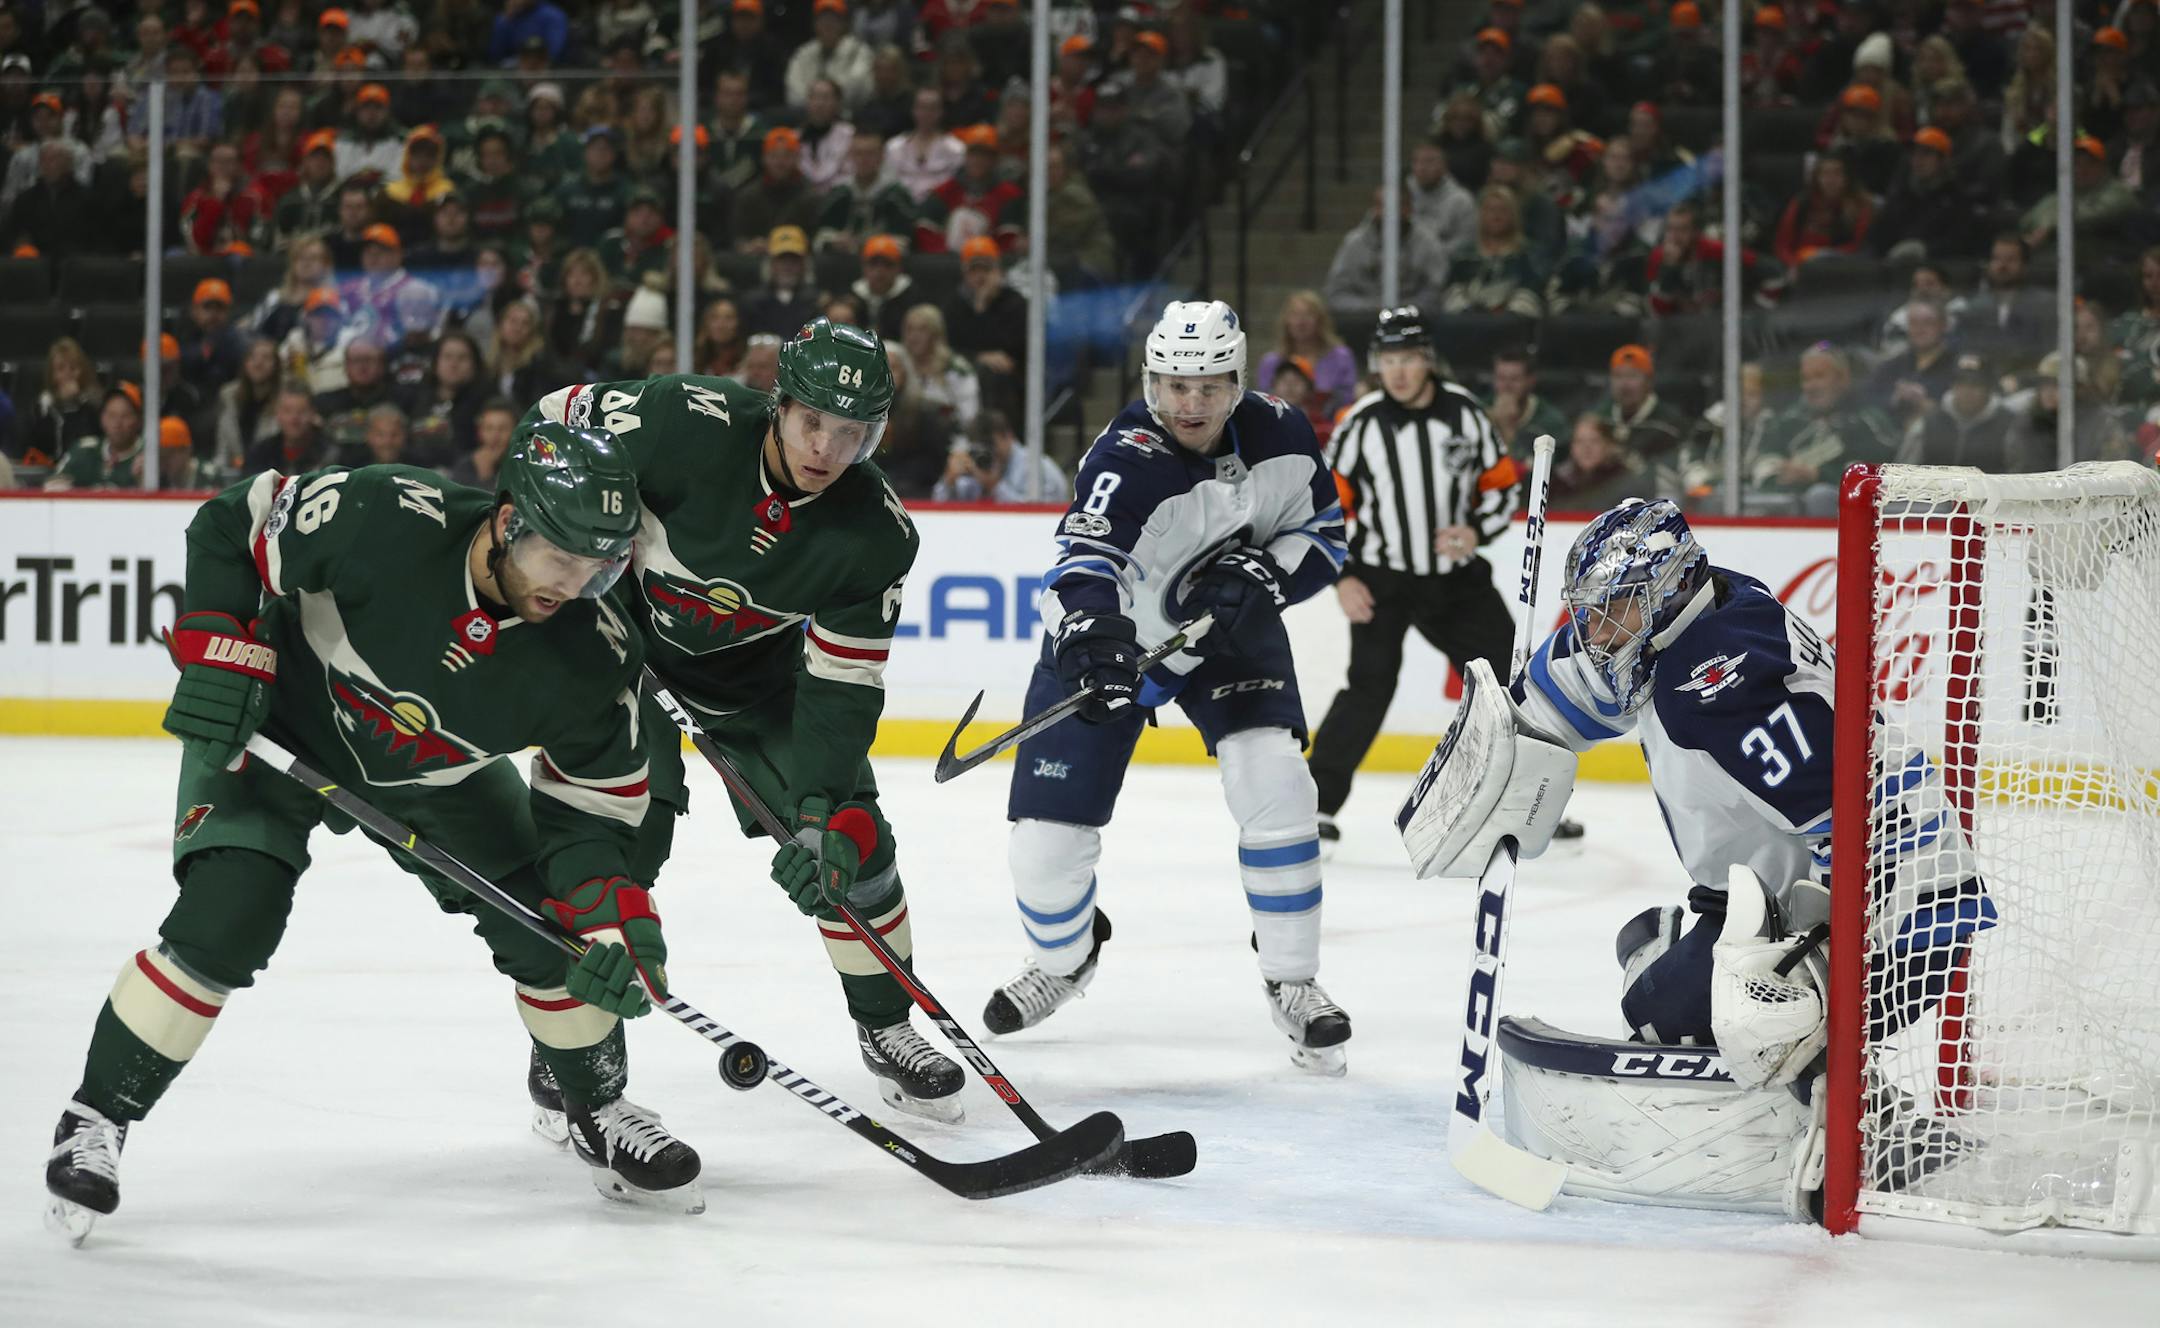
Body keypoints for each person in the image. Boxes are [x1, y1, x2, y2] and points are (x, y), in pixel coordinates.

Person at [45, 422, 705, 1242]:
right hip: (284, 725)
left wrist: (607, 911)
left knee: (552, 934)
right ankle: (95, 1118)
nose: (574, 586)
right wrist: (219, 642)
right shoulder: (385, 514)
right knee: (227, 918)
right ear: (508, 522)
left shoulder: (596, 652)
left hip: (440, 776)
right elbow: (236, 518)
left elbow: (592, 812)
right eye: (561, 557)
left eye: (601, 566)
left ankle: (597, 1108)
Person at [1395, 499, 1987, 1215]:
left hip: (1900, 896)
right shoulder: (1700, 608)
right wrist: (1502, 741)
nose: (1595, 631)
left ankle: (1871, 1123)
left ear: (1668, 591)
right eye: (1590, 612)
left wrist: (1815, 960)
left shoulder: (1710, 687)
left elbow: (1856, 822)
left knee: (1736, 1013)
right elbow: (1570, 689)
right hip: (1790, 887)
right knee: (1657, 1002)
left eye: (1613, 611)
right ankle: (1749, 1002)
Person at [522, 319, 964, 1121]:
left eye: (853, 433)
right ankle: (575, 1049)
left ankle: (887, 1025)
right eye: (813, 423)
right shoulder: (680, 420)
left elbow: (843, 682)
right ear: (778, 405)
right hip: (615, 652)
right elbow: (550, 422)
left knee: (854, 843)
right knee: (612, 840)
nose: (828, 449)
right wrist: (564, 555)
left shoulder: (875, 534)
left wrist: (823, 807)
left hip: (755, 682)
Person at [981, 299, 1355, 1074]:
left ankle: (1294, 980)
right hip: (1114, 645)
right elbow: (1081, 567)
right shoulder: (1126, 459)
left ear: (1236, 380)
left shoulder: (1283, 433)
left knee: (1278, 785)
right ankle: (1065, 959)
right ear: (1152, 382)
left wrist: (1265, 573)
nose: (1192, 404)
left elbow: (1324, 535)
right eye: (1176, 385)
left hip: (1227, 631)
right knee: (1042, 851)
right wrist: (1094, 637)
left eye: (1210, 386)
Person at [1305, 307, 1546, 854]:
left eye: (1408, 359)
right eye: (1388, 360)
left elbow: (1504, 488)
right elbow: (1324, 508)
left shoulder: (1466, 416)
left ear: (1427, 360)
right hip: (1381, 580)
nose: (1398, 372)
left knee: (1510, 682)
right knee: (1368, 686)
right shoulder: (1360, 422)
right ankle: (1316, 804)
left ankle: (1526, 800)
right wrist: (1341, 577)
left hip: (1455, 583)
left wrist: (1474, 530)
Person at [1753, 343, 1900, 507]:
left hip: (1846, 511)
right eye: (1806, 379)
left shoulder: (1868, 421)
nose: (1810, 386)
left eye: (1819, 376)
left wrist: (1818, 475)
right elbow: (1764, 461)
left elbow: (1879, 474)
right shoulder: (1789, 421)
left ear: (1843, 379)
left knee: (1819, 496)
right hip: (1788, 511)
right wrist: (1778, 475)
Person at [931, 408, 1067, 503]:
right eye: (980, 446)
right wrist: (949, 481)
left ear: (1008, 436)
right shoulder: (975, 462)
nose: (988, 452)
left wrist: (995, 487)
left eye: (990, 444)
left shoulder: (1038, 469)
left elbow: (1039, 518)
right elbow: (940, 508)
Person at [45, 383, 147, 491]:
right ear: (102, 418)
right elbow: (51, 488)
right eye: (111, 415)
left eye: (125, 415)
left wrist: (143, 482)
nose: (117, 423)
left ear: (139, 420)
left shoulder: (149, 456)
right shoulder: (84, 450)